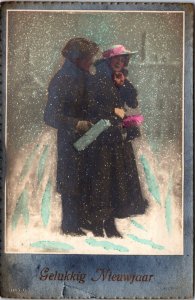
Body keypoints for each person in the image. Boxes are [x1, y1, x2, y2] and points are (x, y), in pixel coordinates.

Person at [82, 45, 148, 237]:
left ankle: (110, 225)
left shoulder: (119, 79)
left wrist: (124, 85)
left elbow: (133, 103)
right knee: (100, 181)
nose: (120, 62)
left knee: (115, 181)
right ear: (107, 62)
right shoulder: (96, 81)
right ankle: (97, 224)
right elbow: (90, 108)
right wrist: (112, 112)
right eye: (116, 59)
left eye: (123, 59)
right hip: (100, 139)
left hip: (117, 138)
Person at [44, 38, 99, 235]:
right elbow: (50, 116)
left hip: (89, 139)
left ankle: (85, 220)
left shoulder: (87, 77)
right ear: (77, 59)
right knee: (71, 183)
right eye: (88, 58)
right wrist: (76, 123)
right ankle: (70, 226)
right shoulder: (61, 80)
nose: (92, 61)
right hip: (69, 142)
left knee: (88, 180)